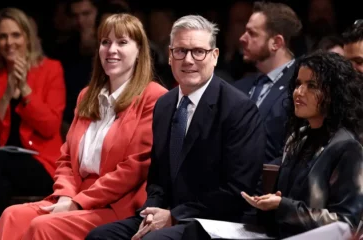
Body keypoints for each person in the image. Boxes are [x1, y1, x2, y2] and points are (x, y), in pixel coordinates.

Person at [86, 14, 266, 240]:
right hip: (168, 215)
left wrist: (174, 215)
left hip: (217, 221)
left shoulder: (239, 109)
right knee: (101, 236)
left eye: (198, 51)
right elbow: (157, 179)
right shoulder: (165, 104)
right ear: (170, 56)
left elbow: (237, 190)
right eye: (180, 51)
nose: (188, 60)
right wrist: (152, 211)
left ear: (215, 56)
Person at [0, 13, 167, 240]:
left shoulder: (153, 96)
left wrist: (77, 202)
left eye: (122, 42)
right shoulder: (87, 96)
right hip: (74, 195)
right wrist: (65, 195)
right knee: (12, 215)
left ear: (140, 51)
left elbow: (134, 169)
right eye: (105, 42)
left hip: (115, 206)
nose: (111, 49)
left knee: (43, 227)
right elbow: (66, 158)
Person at [0, 8, 66, 240]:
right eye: (3, 36)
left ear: (27, 37)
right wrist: (7, 94)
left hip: (40, 163)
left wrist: (26, 92)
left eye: (16, 35)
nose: (9, 42)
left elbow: (50, 126)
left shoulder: (51, 70)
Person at [241, 51, 363, 238]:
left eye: (311, 85)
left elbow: (345, 224)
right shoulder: (299, 137)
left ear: (333, 93)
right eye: (298, 84)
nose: (299, 92)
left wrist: (282, 206)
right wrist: (267, 204)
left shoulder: (348, 147)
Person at [235, 1, 302, 164]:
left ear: (276, 43)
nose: (242, 38)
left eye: (252, 33)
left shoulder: (300, 85)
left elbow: (298, 151)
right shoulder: (239, 87)